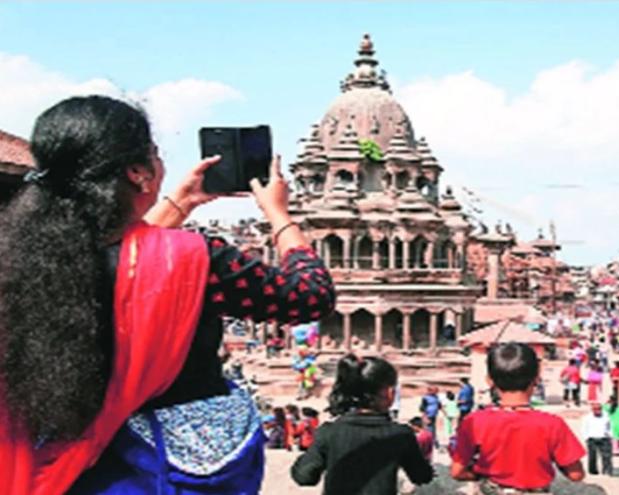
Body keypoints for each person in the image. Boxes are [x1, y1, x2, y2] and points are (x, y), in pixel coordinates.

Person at [0, 96, 335, 495]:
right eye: (155, 155)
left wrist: (182, 202)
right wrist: (279, 215)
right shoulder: (197, 259)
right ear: (138, 173)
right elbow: (310, 296)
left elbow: (126, 256)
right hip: (168, 465)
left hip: (66, 465)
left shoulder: (20, 261)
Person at [451, 343, 585, 493]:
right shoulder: (552, 424)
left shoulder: (475, 422)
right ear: (537, 379)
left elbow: (457, 472)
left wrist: (479, 474)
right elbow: (576, 475)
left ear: (489, 380)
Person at [291, 355, 433, 494]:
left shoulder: (329, 432)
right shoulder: (401, 434)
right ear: (389, 393)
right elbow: (421, 476)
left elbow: (304, 476)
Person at [582, 402, 613, 476]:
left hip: (604, 438)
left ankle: (607, 470)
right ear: (592, 410)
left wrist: (610, 435)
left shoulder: (606, 416)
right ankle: (593, 471)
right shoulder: (587, 418)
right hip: (592, 438)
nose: (597, 410)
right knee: (592, 456)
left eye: (599, 409)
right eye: (595, 409)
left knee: (607, 456)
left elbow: (609, 426)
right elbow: (584, 428)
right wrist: (586, 437)